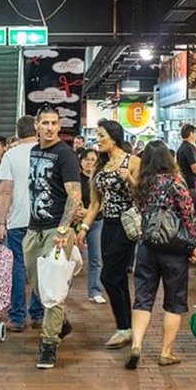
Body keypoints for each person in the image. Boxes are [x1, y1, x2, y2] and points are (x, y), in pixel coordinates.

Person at [125, 141, 196, 370]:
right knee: (174, 301)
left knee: (143, 297)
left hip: (148, 246)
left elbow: (138, 210)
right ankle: (165, 352)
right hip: (174, 248)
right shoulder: (176, 181)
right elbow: (188, 213)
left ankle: (136, 344)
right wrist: (194, 244)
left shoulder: (142, 184)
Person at [24, 106, 81, 369]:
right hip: (34, 228)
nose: (49, 127)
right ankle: (61, 323)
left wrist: (63, 230)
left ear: (59, 126)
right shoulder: (36, 151)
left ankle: (49, 344)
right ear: (36, 125)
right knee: (38, 286)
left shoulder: (65, 154)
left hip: (55, 231)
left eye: (54, 123)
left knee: (54, 290)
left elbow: (75, 195)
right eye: (44, 122)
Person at [78, 119, 141, 349]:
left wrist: (130, 179)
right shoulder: (100, 166)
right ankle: (126, 327)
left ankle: (124, 327)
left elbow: (144, 196)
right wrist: (84, 228)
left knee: (108, 276)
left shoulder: (133, 161)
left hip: (127, 225)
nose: (98, 139)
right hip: (108, 225)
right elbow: (95, 204)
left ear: (113, 137)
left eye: (101, 135)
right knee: (119, 277)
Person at [0, 116, 45, 332]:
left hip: (17, 221)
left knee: (17, 267)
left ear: (17, 132)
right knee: (41, 268)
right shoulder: (47, 152)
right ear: (36, 129)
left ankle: (17, 317)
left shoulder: (11, 155)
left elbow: (6, 191)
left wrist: (0, 222)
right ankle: (38, 314)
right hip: (43, 221)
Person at [77, 148, 106, 304]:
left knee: (96, 258)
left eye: (92, 159)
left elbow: (103, 202)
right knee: (72, 258)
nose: (89, 162)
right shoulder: (75, 178)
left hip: (96, 221)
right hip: (75, 222)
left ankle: (95, 290)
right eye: (86, 159)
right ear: (81, 161)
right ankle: (63, 289)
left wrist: (89, 211)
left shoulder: (99, 179)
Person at [176, 124, 196, 199]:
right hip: (192, 185)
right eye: (195, 133)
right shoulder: (189, 148)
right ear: (191, 133)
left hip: (184, 183)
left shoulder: (181, 148)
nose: (195, 136)